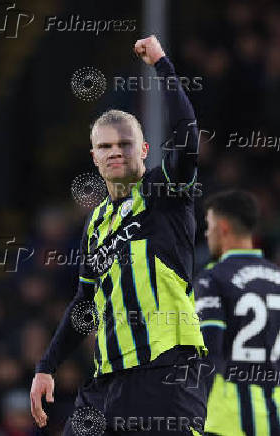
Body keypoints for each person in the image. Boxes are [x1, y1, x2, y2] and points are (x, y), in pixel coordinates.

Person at [30, 35, 207, 436]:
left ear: (143, 149)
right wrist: (47, 366)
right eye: (105, 146)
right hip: (107, 380)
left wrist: (162, 63)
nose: (115, 152)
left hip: (165, 370)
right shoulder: (95, 225)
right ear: (94, 156)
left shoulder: (164, 192)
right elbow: (85, 303)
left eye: (124, 144)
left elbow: (187, 135)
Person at [195, 190, 280, 436]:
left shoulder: (212, 279)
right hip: (274, 415)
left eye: (209, 225)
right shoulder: (277, 278)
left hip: (228, 418)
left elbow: (209, 352)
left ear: (222, 227)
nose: (206, 233)